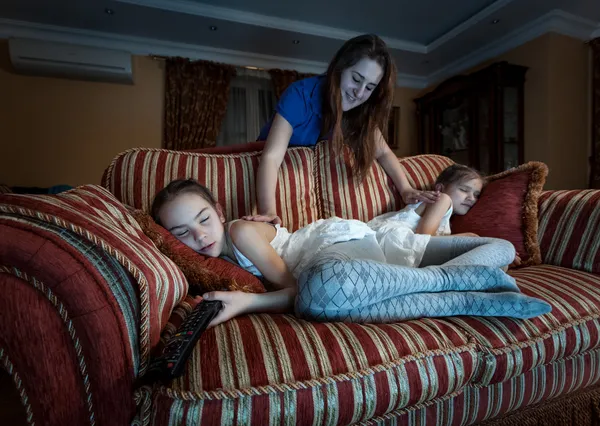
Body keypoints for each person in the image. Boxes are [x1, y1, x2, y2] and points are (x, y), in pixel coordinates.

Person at [152, 171, 517, 327]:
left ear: (218, 211)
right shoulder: (214, 259)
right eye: (181, 233)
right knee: (499, 247)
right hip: (371, 261)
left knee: (321, 293)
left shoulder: (241, 231)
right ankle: (461, 284)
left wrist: (249, 302)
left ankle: (448, 290)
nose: (199, 237)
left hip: (334, 248)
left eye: (203, 219)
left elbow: (294, 290)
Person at [253, 34, 439, 224]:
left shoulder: (361, 112)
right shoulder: (300, 94)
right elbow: (272, 157)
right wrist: (268, 211)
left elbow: (383, 151)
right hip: (266, 167)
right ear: (339, 69)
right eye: (356, 79)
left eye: (369, 87)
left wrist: (406, 189)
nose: (359, 93)